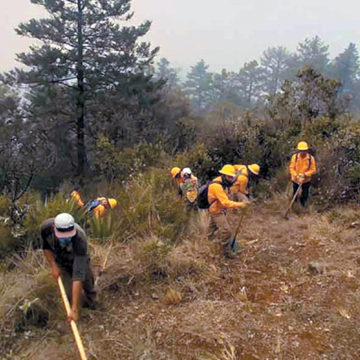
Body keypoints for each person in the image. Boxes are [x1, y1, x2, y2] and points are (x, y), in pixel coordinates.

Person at [40, 213, 96, 322]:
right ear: (54, 229)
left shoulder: (80, 238)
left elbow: (78, 276)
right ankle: (75, 308)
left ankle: (91, 305)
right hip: (61, 259)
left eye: (68, 236)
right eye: (62, 236)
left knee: (88, 283)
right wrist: (53, 265)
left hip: (78, 258)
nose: (66, 239)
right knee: (68, 293)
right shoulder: (46, 228)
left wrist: (74, 310)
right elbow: (46, 248)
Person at [208, 164, 249, 258]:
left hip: (218, 209)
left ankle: (209, 244)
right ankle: (226, 252)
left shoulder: (224, 183)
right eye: (229, 177)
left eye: (232, 177)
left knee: (211, 230)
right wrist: (241, 205)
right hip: (216, 211)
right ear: (223, 175)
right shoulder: (217, 186)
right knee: (226, 231)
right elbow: (225, 202)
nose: (231, 179)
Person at [289, 141, 317, 207]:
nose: (303, 152)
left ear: (307, 150)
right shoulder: (295, 157)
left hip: (306, 180)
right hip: (295, 180)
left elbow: (313, 170)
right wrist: (296, 175)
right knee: (295, 193)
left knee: (305, 194)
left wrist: (305, 175)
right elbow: (291, 168)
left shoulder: (311, 158)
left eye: (304, 150)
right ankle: (294, 206)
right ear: (298, 150)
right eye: (301, 150)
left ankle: (303, 206)